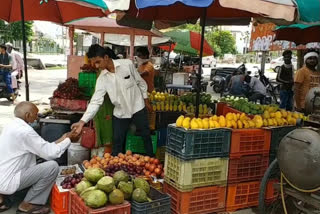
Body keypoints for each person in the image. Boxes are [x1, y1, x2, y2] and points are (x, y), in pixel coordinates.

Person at [72, 44, 154, 157]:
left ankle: (152, 161)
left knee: (146, 136)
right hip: (120, 112)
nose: (96, 66)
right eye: (94, 63)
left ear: (106, 57)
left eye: (98, 62)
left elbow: (140, 82)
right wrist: (82, 121)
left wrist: (146, 100)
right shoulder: (102, 79)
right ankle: (115, 167)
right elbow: (95, 101)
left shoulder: (127, 64)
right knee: (117, 142)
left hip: (137, 107)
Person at [0, 101, 79, 214]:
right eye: (35, 114)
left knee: (39, 160)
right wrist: (69, 139)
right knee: (52, 166)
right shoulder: (25, 132)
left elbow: (43, 147)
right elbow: (50, 154)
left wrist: (63, 138)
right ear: (28, 115)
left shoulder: (11, 125)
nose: (37, 118)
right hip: (8, 181)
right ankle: (28, 205)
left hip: (3, 176)